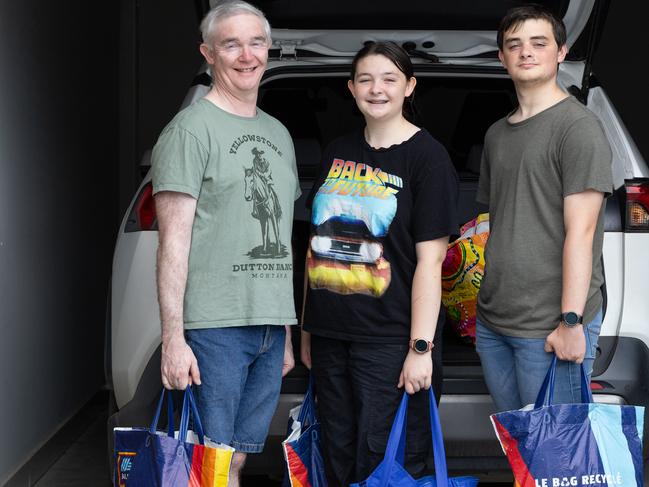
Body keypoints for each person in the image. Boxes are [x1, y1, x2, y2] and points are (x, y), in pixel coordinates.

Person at [150, 1, 300, 485]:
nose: (246, 54)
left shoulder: (277, 132)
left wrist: (285, 333)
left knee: (236, 459)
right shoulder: (190, 131)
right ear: (208, 53)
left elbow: (284, 241)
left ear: (268, 49)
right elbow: (172, 242)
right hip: (214, 327)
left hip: (268, 329)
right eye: (231, 43)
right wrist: (174, 339)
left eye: (256, 42)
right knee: (209, 464)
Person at [300, 41, 459, 486]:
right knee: (337, 452)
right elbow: (316, 245)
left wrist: (420, 349)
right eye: (366, 79)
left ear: (409, 86)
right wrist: (309, 327)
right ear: (351, 89)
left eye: (389, 79)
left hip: (390, 340)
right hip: (332, 335)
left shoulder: (428, 158)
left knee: (386, 459)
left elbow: (431, 262)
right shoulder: (336, 151)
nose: (377, 89)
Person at [475, 4, 613, 412]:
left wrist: (571, 323)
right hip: (494, 322)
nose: (526, 52)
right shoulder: (497, 134)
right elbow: (498, 223)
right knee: (519, 448)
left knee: (556, 461)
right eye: (514, 45)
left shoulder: (578, 128)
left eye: (539, 43)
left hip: (551, 326)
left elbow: (582, 233)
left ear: (561, 52)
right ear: (502, 58)